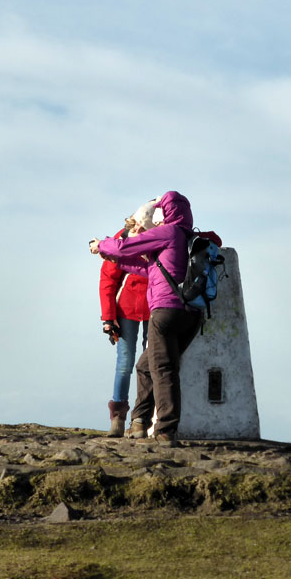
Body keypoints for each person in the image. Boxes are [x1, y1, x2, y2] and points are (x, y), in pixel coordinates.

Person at [89, 191, 203, 446]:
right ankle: (139, 423)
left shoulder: (169, 232)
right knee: (145, 366)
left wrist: (102, 245)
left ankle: (165, 430)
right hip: (192, 315)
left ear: (169, 211)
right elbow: (149, 269)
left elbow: (125, 245)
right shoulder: (187, 237)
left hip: (166, 311)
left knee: (163, 369)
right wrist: (115, 260)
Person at [99, 201, 156, 437]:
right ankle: (118, 420)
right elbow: (108, 279)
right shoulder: (123, 236)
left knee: (152, 364)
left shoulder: (166, 234)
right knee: (126, 363)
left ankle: (142, 420)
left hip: (156, 307)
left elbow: (214, 240)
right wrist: (108, 318)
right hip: (128, 308)